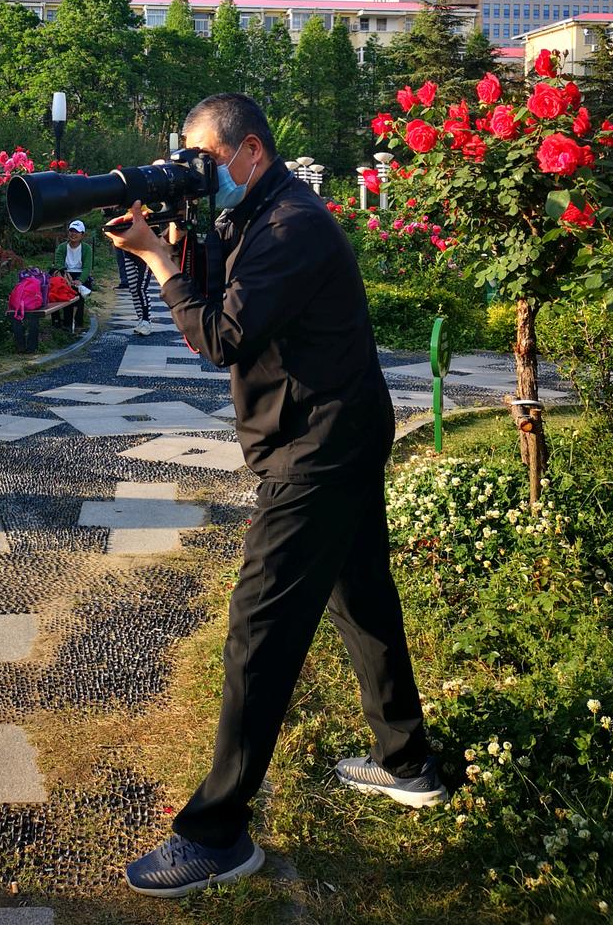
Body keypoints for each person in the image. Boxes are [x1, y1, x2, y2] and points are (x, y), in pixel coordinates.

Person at [107, 94, 444, 899]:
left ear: (250, 151)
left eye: (204, 159)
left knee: (259, 629)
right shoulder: (254, 215)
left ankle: (216, 834)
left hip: (317, 449)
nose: (195, 171)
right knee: (361, 597)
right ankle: (409, 763)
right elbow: (224, 297)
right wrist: (175, 238)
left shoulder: (293, 225)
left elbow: (221, 337)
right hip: (336, 431)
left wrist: (156, 261)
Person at [52, 219, 94, 331]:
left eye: (76, 232)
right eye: (71, 231)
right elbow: (59, 263)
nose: (73, 234)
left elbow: (87, 267)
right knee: (62, 289)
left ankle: (78, 323)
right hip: (65, 274)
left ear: (82, 234)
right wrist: (65, 275)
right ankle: (64, 323)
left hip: (80, 274)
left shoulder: (86, 249)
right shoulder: (62, 247)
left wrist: (80, 280)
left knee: (78, 292)